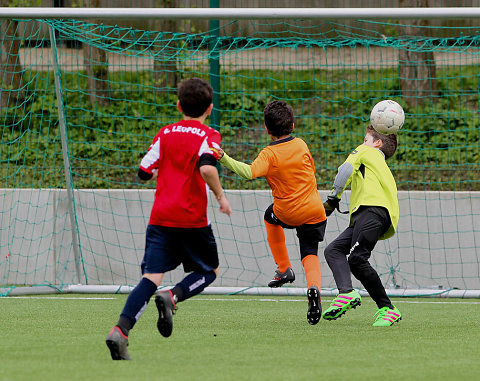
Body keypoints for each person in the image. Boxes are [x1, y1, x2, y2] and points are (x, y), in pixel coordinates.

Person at [106, 77, 232, 360]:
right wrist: (221, 197)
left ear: (178, 106)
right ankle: (173, 296)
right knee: (210, 271)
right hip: (192, 219)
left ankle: (121, 331)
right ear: (209, 108)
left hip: (161, 217)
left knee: (150, 278)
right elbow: (207, 168)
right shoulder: (208, 135)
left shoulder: (165, 133)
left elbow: (143, 170)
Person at [216, 100, 327, 325]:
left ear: (267, 130)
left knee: (270, 216)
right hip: (315, 209)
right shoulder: (302, 145)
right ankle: (313, 288)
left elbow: (249, 173)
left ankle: (285, 268)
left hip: (287, 212)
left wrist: (223, 158)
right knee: (310, 251)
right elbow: (311, 171)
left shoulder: (268, 154)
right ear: (293, 126)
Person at [322, 124, 401, 327]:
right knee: (334, 250)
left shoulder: (366, 151)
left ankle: (388, 309)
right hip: (374, 215)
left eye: (366, 139)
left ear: (377, 143)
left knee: (357, 259)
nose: (362, 143)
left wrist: (332, 199)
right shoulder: (381, 166)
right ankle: (347, 293)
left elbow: (345, 170)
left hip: (371, 211)